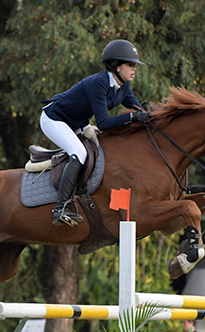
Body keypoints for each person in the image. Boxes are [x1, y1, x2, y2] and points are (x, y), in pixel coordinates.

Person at [41, 39, 150, 226]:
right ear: (116, 66)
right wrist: (132, 117)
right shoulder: (99, 83)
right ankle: (60, 208)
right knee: (79, 152)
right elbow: (104, 123)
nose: (134, 69)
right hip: (55, 119)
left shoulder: (123, 87)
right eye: (130, 65)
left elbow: (138, 110)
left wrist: (152, 115)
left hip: (77, 122)